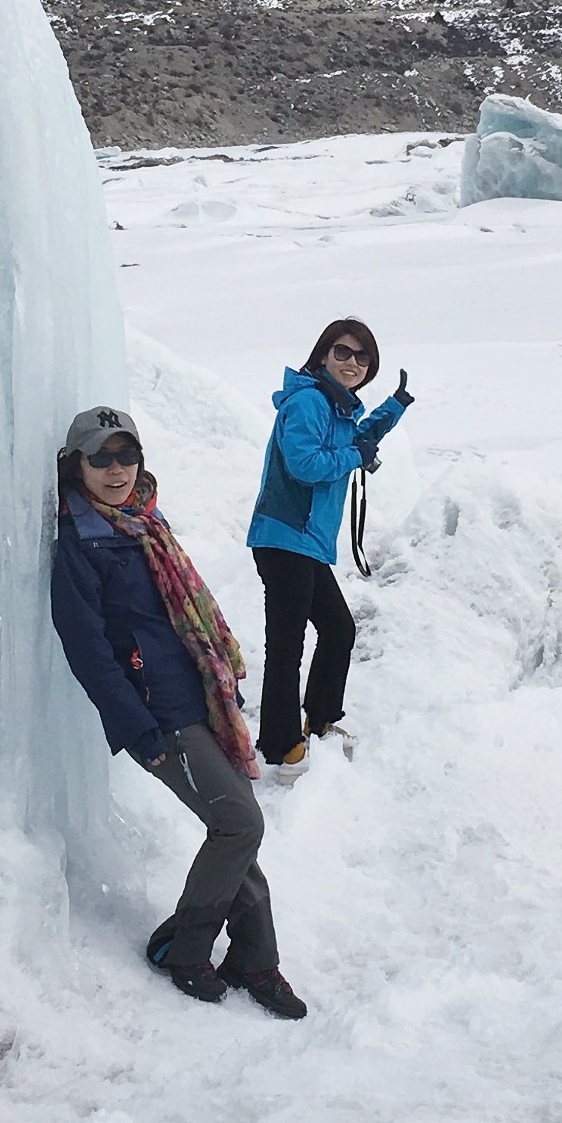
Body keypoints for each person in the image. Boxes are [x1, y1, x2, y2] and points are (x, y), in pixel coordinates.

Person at [50, 406, 307, 1017]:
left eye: (125, 455)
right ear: (76, 465)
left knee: (234, 831)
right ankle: (181, 947)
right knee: (241, 826)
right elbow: (87, 649)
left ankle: (255, 958)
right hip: (158, 717)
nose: (116, 470)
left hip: (198, 700)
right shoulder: (80, 545)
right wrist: (137, 729)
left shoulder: (142, 521)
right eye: (101, 458)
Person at [247, 318, 413, 774]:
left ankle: (317, 721)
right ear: (323, 355)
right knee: (286, 646)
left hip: (306, 543)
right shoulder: (308, 403)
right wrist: (354, 457)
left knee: (339, 630)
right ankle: (281, 748)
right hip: (284, 539)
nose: (353, 363)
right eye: (343, 352)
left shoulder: (336, 408)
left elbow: (357, 441)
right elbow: (305, 463)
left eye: (362, 357)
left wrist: (394, 407)